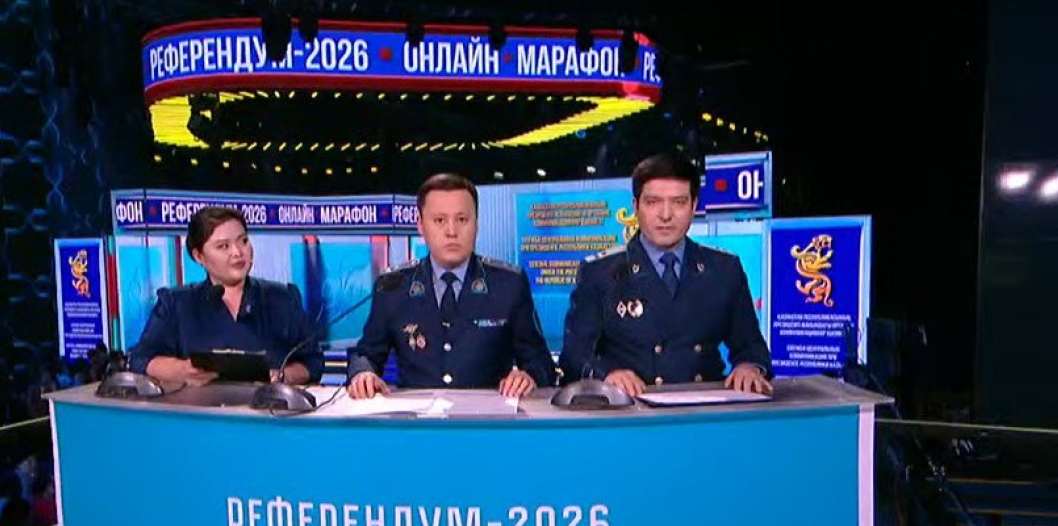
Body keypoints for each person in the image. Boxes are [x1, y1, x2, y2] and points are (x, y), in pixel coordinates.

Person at [559, 151, 772, 395]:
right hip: (630, 408)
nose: (666, 215)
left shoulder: (724, 269)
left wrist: (749, 367)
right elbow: (574, 356)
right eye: (653, 202)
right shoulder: (600, 273)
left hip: (705, 406)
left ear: (694, 206)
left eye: (679, 202)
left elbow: (751, 346)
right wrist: (607, 375)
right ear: (635, 207)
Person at [347, 173, 556, 399]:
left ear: (476, 224)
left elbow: (541, 362)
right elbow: (366, 355)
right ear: (421, 225)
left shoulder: (508, 284)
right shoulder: (393, 287)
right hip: (416, 418)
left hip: (487, 416)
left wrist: (529, 377)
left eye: (462, 219)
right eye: (439, 220)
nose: (451, 231)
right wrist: (363, 374)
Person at [127, 206, 324, 386]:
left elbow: (313, 362)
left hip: (268, 410)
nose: (238, 252)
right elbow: (140, 359)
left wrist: (282, 376)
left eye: (243, 241)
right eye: (223, 246)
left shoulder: (282, 298)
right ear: (199, 256)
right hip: (200, 411)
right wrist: (181, 371)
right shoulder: (176, 303)